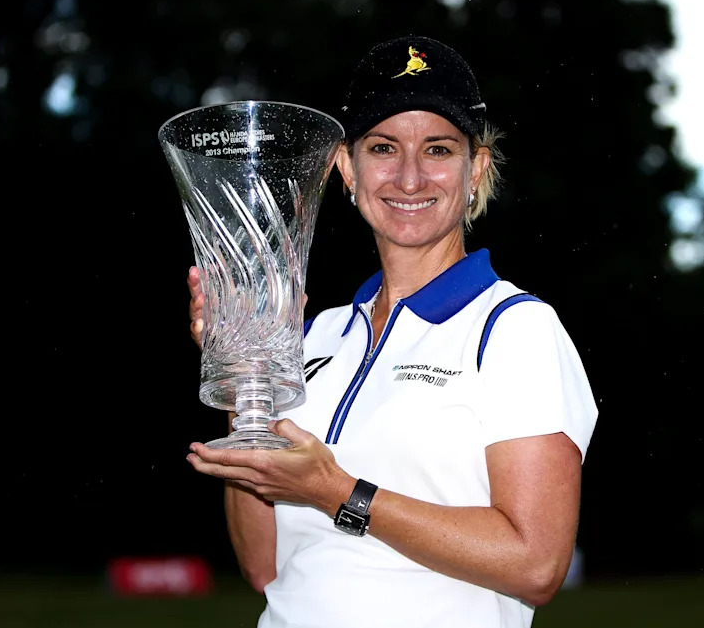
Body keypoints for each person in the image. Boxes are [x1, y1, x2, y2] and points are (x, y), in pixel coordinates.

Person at [185, 35, 599, 628]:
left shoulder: (514, 329)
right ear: (346, 169)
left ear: (475, 169)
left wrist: (336, 491)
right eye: (383, 147)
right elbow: (264, 567)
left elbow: (536, 565)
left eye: (438, 149)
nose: (409, 178)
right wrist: (246, 378)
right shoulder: (316, 337)